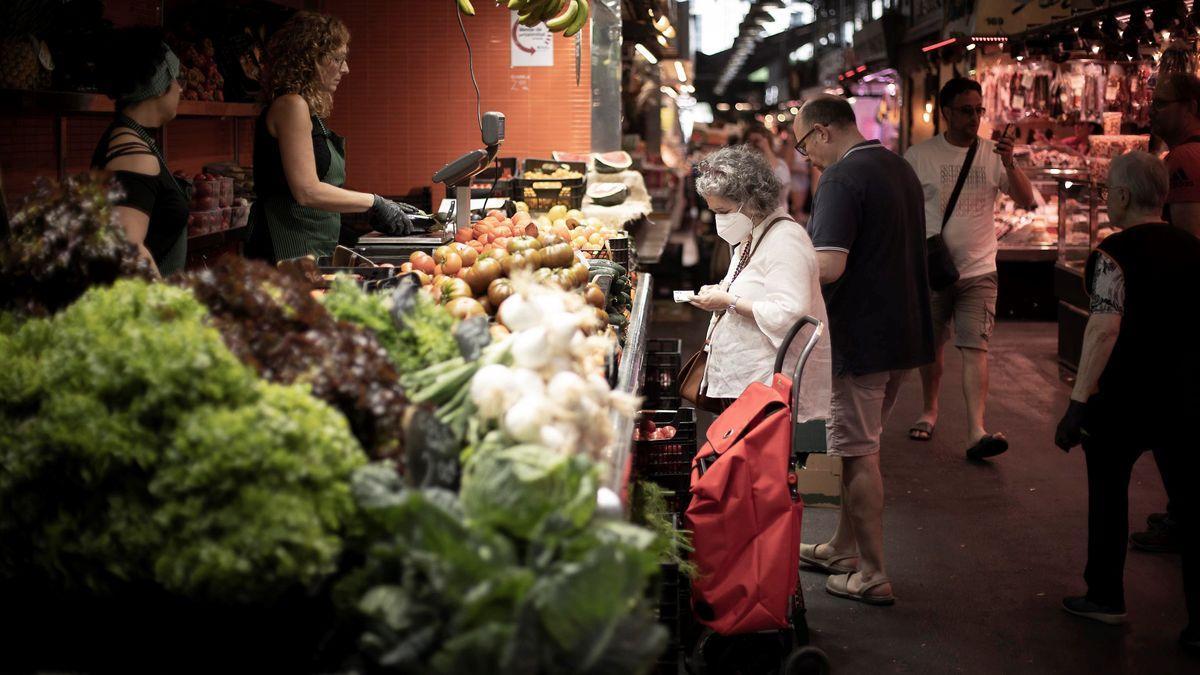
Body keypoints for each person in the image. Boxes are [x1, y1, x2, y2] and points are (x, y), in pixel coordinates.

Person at [1054, 151, 1198, 653]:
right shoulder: (1192, 248)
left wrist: (1077, 403)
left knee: (1109, 492)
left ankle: (1106, 596)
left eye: (1107, 191)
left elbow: (1104, 326)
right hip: (1185, 397)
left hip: (1124, 398)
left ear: (1120, 195)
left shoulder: (1112, 253)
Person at [792, 96, 934, 605]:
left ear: (824, 131)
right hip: (904, 332)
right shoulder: (897, 166)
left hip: (862, 336)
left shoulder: (840, 178)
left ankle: (872, 573)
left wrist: (786, 268)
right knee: (864, 446)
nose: (804, 154)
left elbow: (829, 265)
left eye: (803, 142)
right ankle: (842, 549)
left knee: (857, 455)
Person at [903, 77, 1036, 460]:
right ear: (945, 112)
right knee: (932, 348)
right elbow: (906, 212)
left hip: (979, 270)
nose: (974, 118)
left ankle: (976, 429)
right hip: (934, 269)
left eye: (979, 110)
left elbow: (1027, 200)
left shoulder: (994, 154)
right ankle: (929, 409)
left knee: (976, 347)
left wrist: (1010, 163)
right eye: (965, 110)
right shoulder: (920, 156)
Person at [249, 10, 414, 262]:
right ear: (310, 59)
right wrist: (374, 202)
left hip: (311, 244)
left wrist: (368, 209)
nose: (345, 69)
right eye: (338, 59)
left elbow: (322, 187)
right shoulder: (291, 106)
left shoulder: (307, 110)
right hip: (285, 248)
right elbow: (307, 191)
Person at [687, 145, 831, 420]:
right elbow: (750, 283)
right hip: (747, 384)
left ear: (751, 200)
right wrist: (722, 291)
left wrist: (729, 301)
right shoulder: (752, 232)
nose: (719, 220)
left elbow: (791, 312)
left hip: (766, 389)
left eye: (724, 210)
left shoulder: (786, 240)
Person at [1126, 72, 1200, 553]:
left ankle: (1184, 518)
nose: (1152, 112)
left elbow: (1189, 242)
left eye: (1162, 104)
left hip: (1185, 319)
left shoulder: (1184, 159)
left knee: (1172, 424)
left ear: (1190, 104)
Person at [91, 28, 188, 277]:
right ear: (157, 86)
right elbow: (128, 252)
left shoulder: (129, 137)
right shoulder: (133, 154)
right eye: (175, 79)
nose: (180, 88)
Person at [744, 125, 792, 210]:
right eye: (749, 141)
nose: (753, 145)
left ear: (767, 141)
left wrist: (766, 149)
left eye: (756, 141)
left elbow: (782, 184)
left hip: (778, 214)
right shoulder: (745, 166)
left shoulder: (780, 164)